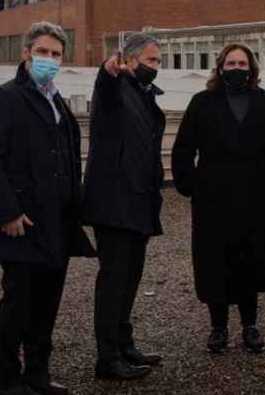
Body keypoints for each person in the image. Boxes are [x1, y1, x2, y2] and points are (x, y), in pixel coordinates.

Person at [0, 21, 95, 395]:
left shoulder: (56, 100)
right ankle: (8, 381)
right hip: (22, 221)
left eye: (56, 54)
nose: (49, 59)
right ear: (26, 54)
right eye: (42, 52)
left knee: (46, 304)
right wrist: (7, 212)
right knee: (18, 305)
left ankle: (37, 376)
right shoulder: (3, 98)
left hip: (56, 222)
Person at [172, 43, 265, 354]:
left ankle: (250, 325)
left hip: (256, 197)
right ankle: (218, 327)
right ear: (220, 67)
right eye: (230, 63)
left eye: (242, 63)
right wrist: (191, 186)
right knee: (215, 261)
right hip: (213, 197)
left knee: (251, 259)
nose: (236, 68)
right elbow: (183, 148)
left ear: (251, 68)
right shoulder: (202, 102)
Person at [80, 33, 166, 381]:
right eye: (151, 61)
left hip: (139, 201)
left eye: (158, 61)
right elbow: (105, 88)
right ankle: (108, 357)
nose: (156, 68)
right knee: (114, 280)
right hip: (114, 203)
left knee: (130, 278)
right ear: (129, 61)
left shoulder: (143, 95)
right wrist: (107, 71)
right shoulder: (115, 89)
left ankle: (124, 343)